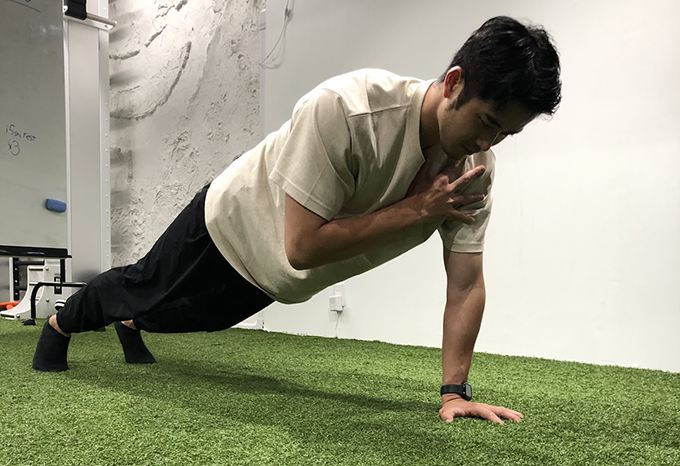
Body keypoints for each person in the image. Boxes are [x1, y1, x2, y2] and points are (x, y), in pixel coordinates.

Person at [33, 16, 561, 424]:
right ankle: (60, 325)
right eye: (486, 121)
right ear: (454, 83)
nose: (487, 142)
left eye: (506, 134)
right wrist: (415, 211)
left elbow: (466, 284)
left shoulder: (474, 172)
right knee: (141, 285)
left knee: (189, 318)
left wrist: (454, 392)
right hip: (227, 221)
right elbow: (303, 247)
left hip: (273, 274)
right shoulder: (347, 110)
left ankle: (132, 324)